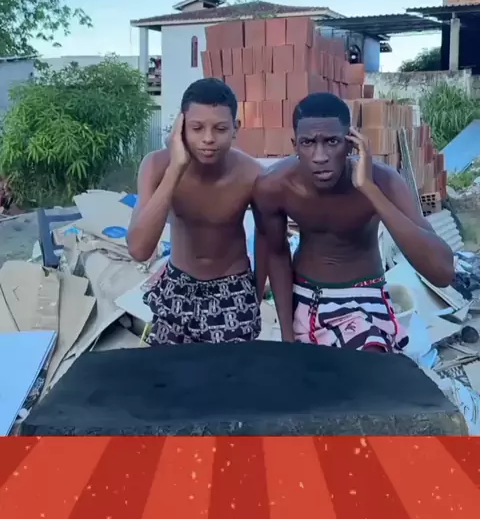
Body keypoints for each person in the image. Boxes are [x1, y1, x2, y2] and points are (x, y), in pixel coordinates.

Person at [253, 92, 455, 350]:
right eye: (308, 143)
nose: (320, 156)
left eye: (332, 141)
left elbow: (442, 272)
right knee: (314, 374)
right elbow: (276, 254)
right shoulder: (275, 185)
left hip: (366, 297)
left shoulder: (383, 181)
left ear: (350, 143)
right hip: (306, 297)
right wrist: (287, 335)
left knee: (369, 368)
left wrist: (369, 189)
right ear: (295, 145)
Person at [127, 77, 268, 345]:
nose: (208, 139)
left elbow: (267, 241)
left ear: (235, 129)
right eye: (196, 128)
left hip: (232, 289)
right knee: (169, 371)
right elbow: (139, 250)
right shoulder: (156, 166)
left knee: (229, 371)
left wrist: (255, 295)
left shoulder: (252, 174)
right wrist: (176, 168)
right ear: (180, 127)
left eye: (220, 129)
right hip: (177, 284)